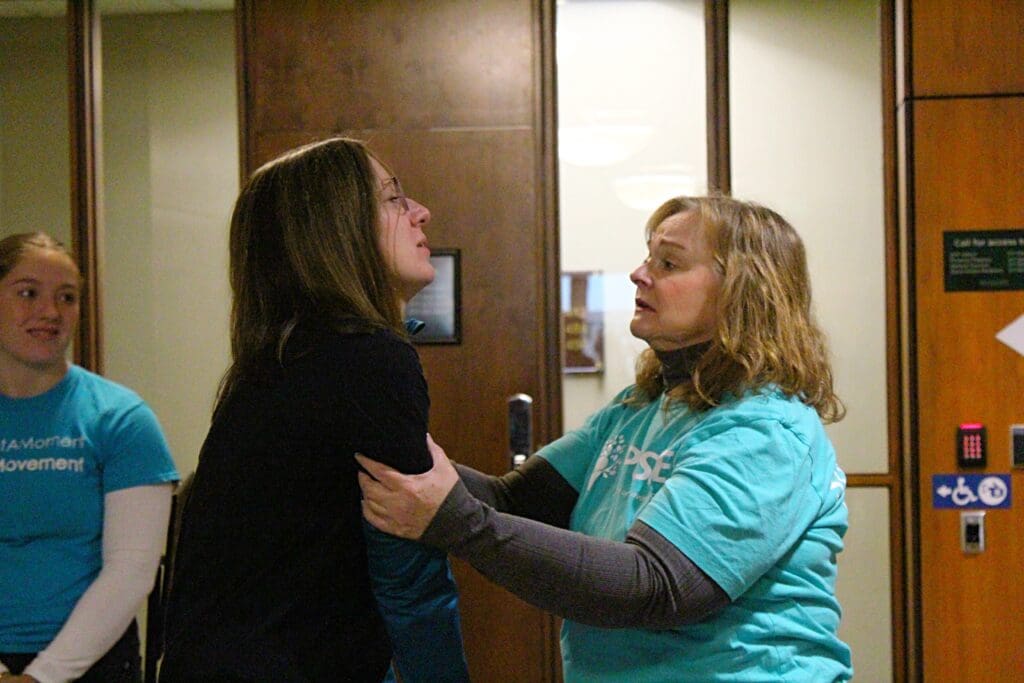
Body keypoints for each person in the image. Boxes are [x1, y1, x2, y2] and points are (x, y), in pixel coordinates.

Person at [358, 195, 855, 682]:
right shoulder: (641, 407)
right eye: (647, 257)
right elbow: (513, 501)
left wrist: (458, 524)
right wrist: (382, 446)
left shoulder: (764, 432)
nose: (640, 274)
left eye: (669, 263)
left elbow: (657, 585)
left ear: (743, 293)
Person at [159, 137, 470, 683]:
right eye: (394, 198)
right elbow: (409, 573)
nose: (421, 212)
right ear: (335, 229)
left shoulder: (274, 363)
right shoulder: (369, 360)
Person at [0, 232, 179, 683]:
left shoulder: (122, 419)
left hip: (93, 663)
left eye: (67, 297)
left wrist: (42, 677)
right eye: (28, 293)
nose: (50, 312)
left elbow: (133, 571)